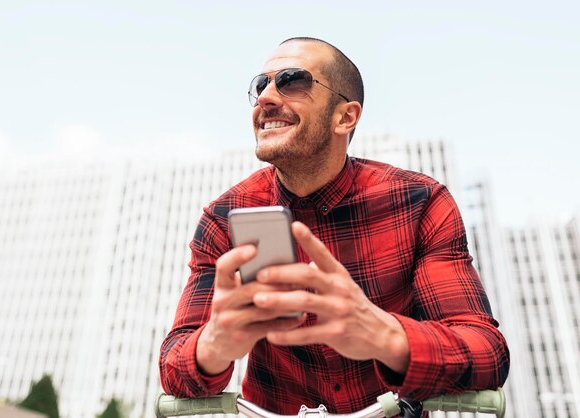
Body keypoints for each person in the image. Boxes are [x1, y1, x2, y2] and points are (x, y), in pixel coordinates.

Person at [159, 37, 510, 414]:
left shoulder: (422, 202)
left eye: (293, 81)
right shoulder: (223, 217)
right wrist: (214, 343)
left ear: (345, 116)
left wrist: (384, 334)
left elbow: (487, 353)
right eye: (260, 86)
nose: (265, 97)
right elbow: (173, 366)